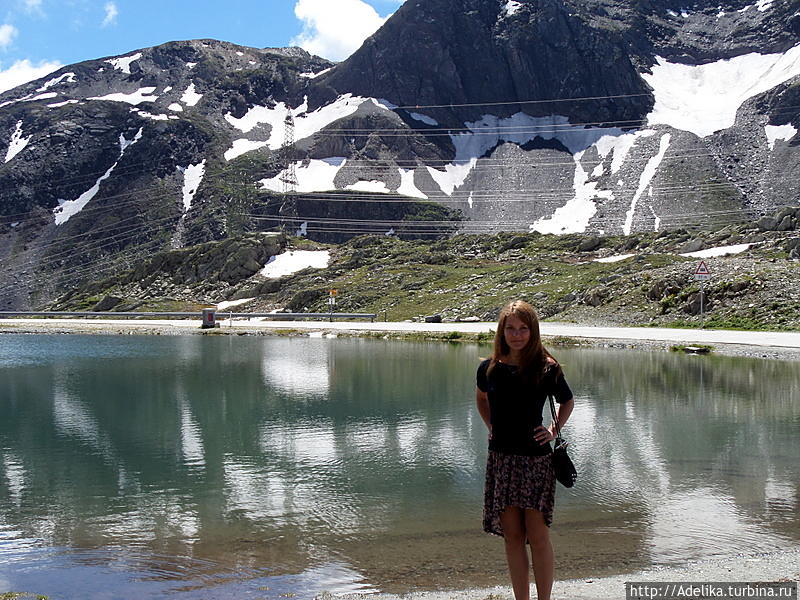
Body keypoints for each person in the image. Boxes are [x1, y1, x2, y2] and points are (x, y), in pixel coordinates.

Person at [476, 299, 574, 600]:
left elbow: (566, 401)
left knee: (538, 535)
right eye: (511, 329)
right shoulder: (489, 368)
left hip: (535, 460)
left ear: (533, 331)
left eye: (523, 329)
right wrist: (491, 425)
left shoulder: (547, 368)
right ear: (501, 332)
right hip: (502, 460)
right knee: (513, 538)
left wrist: (554, 430)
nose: (517, 335)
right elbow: (481, 399)